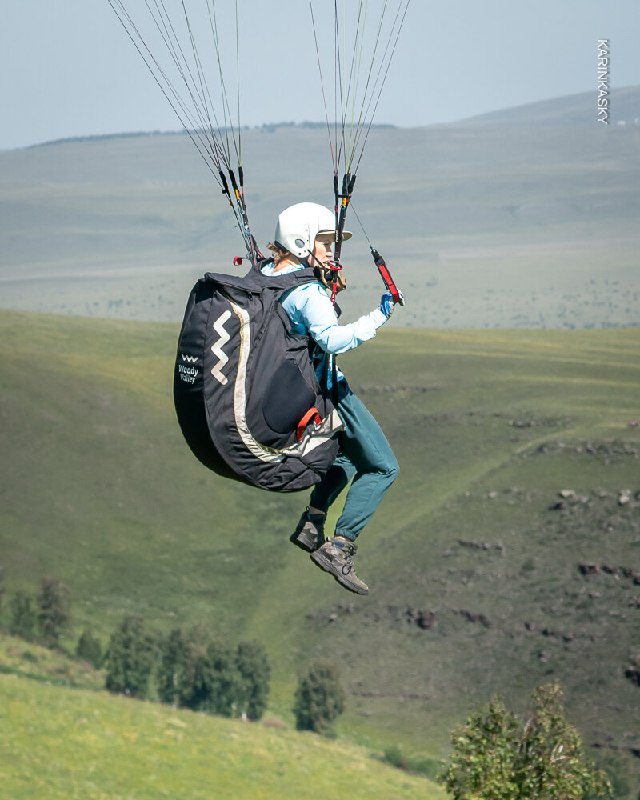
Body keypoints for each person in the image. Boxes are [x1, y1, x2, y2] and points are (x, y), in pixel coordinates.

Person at [261, 202, 400, 595]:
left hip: (294, 393)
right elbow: (332, 339)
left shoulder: (268, 278)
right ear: (302, 242)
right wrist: (380, 314)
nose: (331, 251)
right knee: (383, 468)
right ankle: (339, 547)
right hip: (328, 390)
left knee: (342, 458)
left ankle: (311, 524)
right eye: (324, 242)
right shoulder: (306, 291)